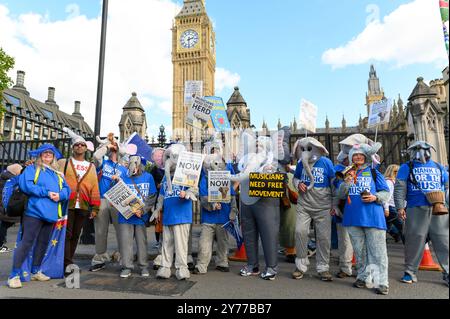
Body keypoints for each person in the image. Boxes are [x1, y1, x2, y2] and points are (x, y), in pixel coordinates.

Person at [7, 144, 70, 289]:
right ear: (40, 155)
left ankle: (35, 271)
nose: (48, 155)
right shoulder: (31, 169)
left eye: (50, 153)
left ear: (54, 157)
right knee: (26, 242)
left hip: (51, 214)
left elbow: (67, 189)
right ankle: (14, 275)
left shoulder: (57, 173)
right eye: (45, 153)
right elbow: (25, 185)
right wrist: (47, 192)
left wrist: (60, 195)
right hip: (34, 212)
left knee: (43, 243)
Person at [337, 143, 390, 295]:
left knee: (378, 251)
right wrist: (346, 181)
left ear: (365, 157)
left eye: (360, 155)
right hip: (353, 218)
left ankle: (382, 282)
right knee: (359, 251)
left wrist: (375, 197)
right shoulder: (347, 173)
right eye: (355, 155)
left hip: (373, 217)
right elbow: (341, 195)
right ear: (351, 157)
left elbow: (385, 192)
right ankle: (363, 276)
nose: (358, 157)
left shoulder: (374, 172)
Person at [394, 141, 449, 286]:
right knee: (414, 241)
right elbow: (400, 188)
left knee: (444, 241)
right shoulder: (406, 167)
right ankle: (410, 272)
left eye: (425, 149)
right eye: (418, 149)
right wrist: (400, 207)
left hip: (439, 209)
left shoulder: (439, 167)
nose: (422, 152)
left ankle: (448, 272)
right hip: (415, 208)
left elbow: (447, 187)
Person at [291, 137, 336, 282]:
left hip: (323, 205)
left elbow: (333, 182)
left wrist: (334, 204)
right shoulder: (300, 163)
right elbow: (295, 178)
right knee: (300, 231)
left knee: (323, 237)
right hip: (304, 204)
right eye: (302, 149)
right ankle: (301, 265)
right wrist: (298, 184)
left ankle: (323, 268)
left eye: (308, 149)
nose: (305, 153)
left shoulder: (326, 162)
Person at [58, 128, 100, 275]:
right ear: (72, 147)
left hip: (83, 205)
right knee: (67, 234)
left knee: (76, 234)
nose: (79, 147)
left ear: (86, 148)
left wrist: (95, 208)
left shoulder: (91, 166)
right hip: (66, 204)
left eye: (82, 145)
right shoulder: (64, 162)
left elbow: (94, 187)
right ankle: (67, 264)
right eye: (77, 145)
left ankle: (68, 261)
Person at [193, 153, 238, 275]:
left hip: (223, 215)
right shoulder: (205, 178)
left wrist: (233, 210)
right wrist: (212, 205)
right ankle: (201, 265)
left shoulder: (226, 175)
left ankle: (222, 262)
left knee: (223, 241)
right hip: (209, 216)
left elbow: (232, 195)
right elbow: (203, 196)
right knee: (204, 242)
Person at [90, 133, 128, 272]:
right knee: (100, 230)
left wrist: (120, 180)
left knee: (121, 230)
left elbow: (128, 186)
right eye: (113, 149)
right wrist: (107, 146)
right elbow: (95, 156)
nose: (114, 150)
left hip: (118, 200)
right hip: (102, 198)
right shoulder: (103, 163)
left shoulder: (124, 169)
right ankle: (100, 257)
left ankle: (123, 256)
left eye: (116, 148)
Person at [117, 155, 157, 278]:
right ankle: (126, 266)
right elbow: (116, 194)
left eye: (136, 164)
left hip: (141, 216)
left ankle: (143, 266)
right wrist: (115, 182)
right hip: (125, 216)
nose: (134, 167)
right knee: (125, 242)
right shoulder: (123, 176)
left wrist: (143, 210)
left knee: (142, 242)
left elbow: (152, 196)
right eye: (131, 164)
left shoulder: (148, 177)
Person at [333, 153, 354, 278]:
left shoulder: (364, 170)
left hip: (360, 209)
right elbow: (336, 189)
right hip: (343, 209)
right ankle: (345, 268)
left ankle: (365, 268)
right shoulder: (337, 170)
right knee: (345, 240)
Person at [0, 164, 23, 253]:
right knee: (4, 225)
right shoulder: (11, 180)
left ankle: (2, 242)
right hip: (7, 206)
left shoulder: (4, 177)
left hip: (4, 206)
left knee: (4, 225)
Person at [383, 164, 404, 244]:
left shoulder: (395, 181)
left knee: (386, 226)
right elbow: (387, 196)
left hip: (394, 207)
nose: (398, 173)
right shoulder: (389, 182)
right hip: (391, 207)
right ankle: (408, 243)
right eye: (396, 171)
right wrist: (386, 208)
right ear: (392, 172)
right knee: (402, 226)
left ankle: (393, 236)